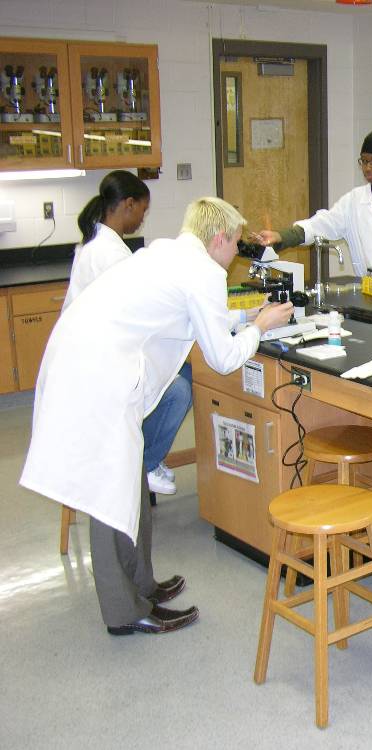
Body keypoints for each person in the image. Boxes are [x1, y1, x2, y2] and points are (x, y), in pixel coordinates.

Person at [20, 197, 293, 636]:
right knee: (109, 493)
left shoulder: (167, 252)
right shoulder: (202, 270)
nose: (235, 255)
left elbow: (197, 315)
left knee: (130, 482)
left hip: (82, 362)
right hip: (95, 381)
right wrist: (258, 328)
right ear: (219, 237)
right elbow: (223, 359)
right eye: (236, 244)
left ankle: (141, 584)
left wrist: (250, 315)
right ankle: (125, 612)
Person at [65, 170, 187, 496]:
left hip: (94, 354)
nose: (141, 221)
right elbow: (138, 311)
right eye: (142, 212)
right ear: (128, 204)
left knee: (181, 369)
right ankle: (143, 465)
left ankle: (145, 457)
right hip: (100, 365)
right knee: (177, 390)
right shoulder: (110, 253)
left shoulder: (97, 243)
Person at [254, 129, 372, 280]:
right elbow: (321, 225)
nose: (367, 167)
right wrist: (282, 236)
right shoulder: (354, 202)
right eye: (364, 161)